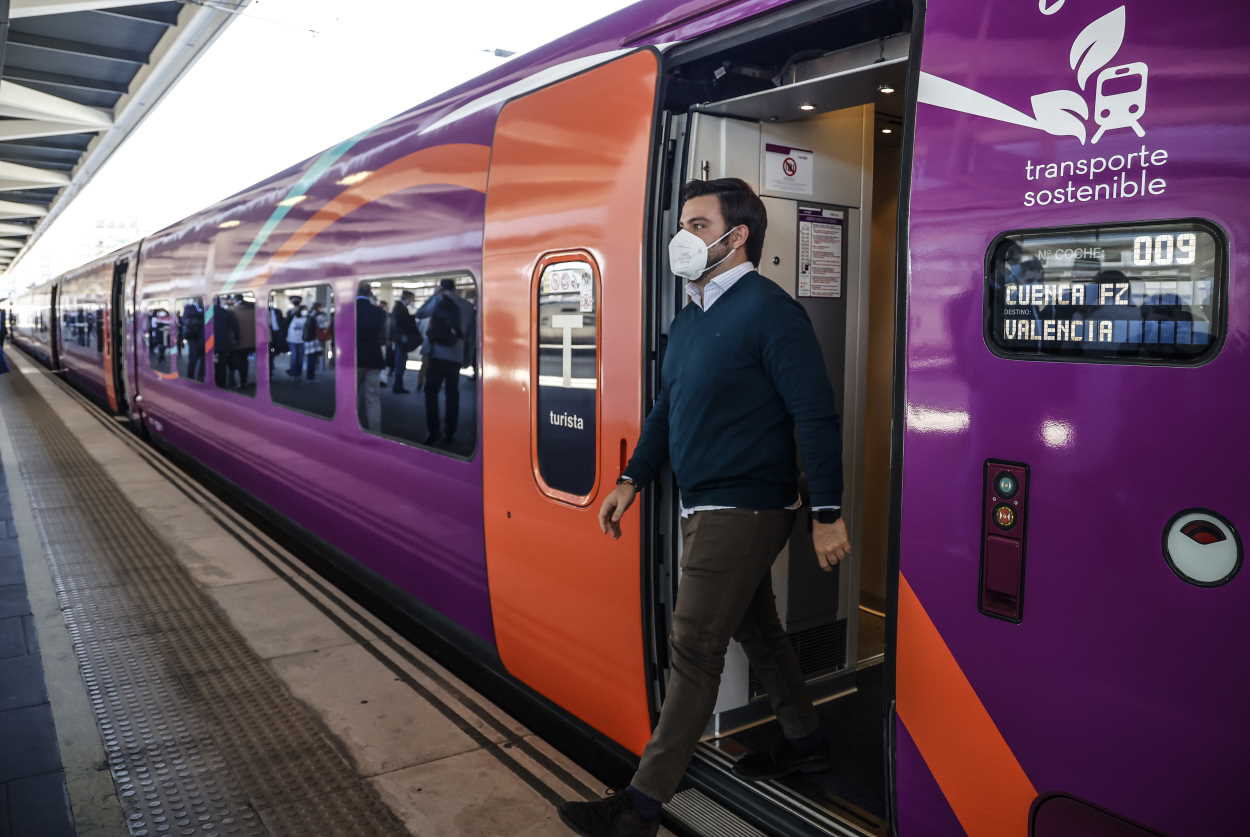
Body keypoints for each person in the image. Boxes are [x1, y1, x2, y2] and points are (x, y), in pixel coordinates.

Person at [558, 179, 851, 837]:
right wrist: (632, 478)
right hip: (703, 503)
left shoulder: (772, 312)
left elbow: (815, 414)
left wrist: (826, 511)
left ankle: (639, 807)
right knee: (757, 630)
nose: (682, 237)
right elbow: (670, 407)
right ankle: (809, 742)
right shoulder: (692, 316)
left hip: (744, 507)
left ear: (736, 235)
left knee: (693, 646)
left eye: (696, 223)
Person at [416, 279, 475, 446]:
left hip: (436, 355)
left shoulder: (438, 299)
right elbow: (471, 336)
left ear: (441, 287)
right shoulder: (467, 306)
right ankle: (450, 432)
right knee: (452, 395)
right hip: (455, 357)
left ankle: (433, 432)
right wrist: (467, 358)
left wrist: (435, 295)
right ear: (455, 288)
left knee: (431, 394)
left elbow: (420, 313)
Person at [355, 283, 386, 430]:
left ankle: (353, 427)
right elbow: (382, 336)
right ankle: (375, 431)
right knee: (373, 397)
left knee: (350, 395)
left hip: (353, 359)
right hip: (374, 357)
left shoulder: (348, 310)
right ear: (370, 293)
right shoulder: (379, 311)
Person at [389, 290, 420, 394]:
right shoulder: (400, 308)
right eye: (412, 299)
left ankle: (398, 386)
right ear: (407, 298)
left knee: (401, 363)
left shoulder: (399, 308)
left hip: (400, 339)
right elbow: (399, 324)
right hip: (401, 340)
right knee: (400, 363)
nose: (413, 301)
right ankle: (398, 387)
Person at [212, 297, 240, 388]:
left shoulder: (205, 314)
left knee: (211, 364)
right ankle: (221, 384)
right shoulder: (226, 313)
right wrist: (236, 339)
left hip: (209, 344)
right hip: (223, 344)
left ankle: (212, 382)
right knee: (222, 365)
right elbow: (235, 328)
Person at [232, 294, 256, 389]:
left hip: (240, 342)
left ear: (235, 300)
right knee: (247, 361)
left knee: (241, 362)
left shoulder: (233, 311)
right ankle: (252, 380)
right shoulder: (253, 309)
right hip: (253, 340)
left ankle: (242, 382)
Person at [181, 298, 206, 381]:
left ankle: (200, 376)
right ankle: (190, 376)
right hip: (192, 336)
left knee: (203, 357)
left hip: (202, 336)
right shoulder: (189, 307)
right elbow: (185, 320)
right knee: (193, 357)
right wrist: (200, 317)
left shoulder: (204, 308)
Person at [304, 302, 330, 380]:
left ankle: (309, 375)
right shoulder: (319, 315)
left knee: (310, 357)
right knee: (313, 358)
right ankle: (311, 376)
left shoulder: (309, 314)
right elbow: (324, 326)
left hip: (308, 339)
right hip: (315, 340)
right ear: (319, 307)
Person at [286, 304, 309, 379]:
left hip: (302, 340)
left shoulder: (307, 318)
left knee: (300, 357)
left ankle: (298, 372)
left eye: (306, 310)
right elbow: (287, 319)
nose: (305, 311)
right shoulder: (293, 317)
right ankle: (293, 371)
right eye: (304, 310)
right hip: (292, 340)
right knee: (294, 356)